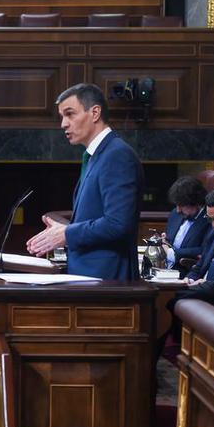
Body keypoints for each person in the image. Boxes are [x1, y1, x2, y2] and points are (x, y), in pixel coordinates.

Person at [26, 83, 143, 280]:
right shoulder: (96, 155)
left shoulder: (117, 155)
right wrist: (62, 232)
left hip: (108, 282)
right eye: (62, 116)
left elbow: (118, 224)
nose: (63, 124)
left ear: (95, 113)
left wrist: (66, 234)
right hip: (90, 277)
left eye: (70, 114)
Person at [162, 176, 212, 275]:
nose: (178, 210)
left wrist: (171, 253)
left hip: (186, 273)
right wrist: (163, 241)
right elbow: (168, 241)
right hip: (164, 268)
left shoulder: (210, 219)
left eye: (182, 205)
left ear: (196, 202)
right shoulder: (175, 214)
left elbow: (206, 249)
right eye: (177, 205)